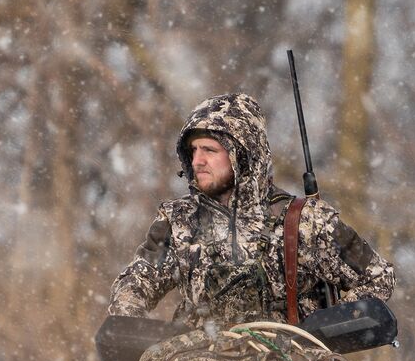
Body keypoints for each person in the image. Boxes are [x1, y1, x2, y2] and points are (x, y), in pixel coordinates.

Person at [109, 92, 395, 329]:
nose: (197, 161)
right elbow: (137, 282)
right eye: (193, 151)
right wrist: (132, 328)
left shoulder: (304, 221)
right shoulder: (178, 221)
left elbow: (377, 276)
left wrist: (324, 329)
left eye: (209, 150)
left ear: (242, 155)